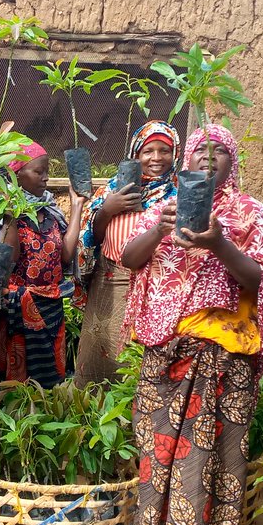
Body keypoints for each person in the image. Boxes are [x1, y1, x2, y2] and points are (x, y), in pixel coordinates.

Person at [120, 124, 263, 525]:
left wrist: (221, 245)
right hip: (167, 356)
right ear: (185, 162)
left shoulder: (252, 215)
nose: (208, 161)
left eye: (220, 154)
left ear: (233, 163)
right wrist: (156, 229)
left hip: (225, 364)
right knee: (158, 462)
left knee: (212, 470)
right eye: (199, 153)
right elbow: (129, 259)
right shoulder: (164, 205)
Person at [74, 121, 180, 386]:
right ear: (136, 154)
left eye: (164, 150)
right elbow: (92, 238)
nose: (157, 158)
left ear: (175, 154)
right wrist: (108, 209)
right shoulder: (113, 190)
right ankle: (91, 417)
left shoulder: (177, 195)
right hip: (108, 282)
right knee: (99, 351)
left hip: (153, 288)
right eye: (148, 150)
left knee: (134, 358)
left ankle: (130, 420)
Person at [0, 139, 85, 389]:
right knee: (15, 381)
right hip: (17, 310)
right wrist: (10, 209)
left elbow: (65, 256)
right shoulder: (5, 214)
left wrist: (77, 207)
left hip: (51, 307)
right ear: (17, 175)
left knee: (49, 380)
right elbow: (9, 258)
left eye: (47, 172)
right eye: (38, 172)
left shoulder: (51, 212)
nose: (45, 179)